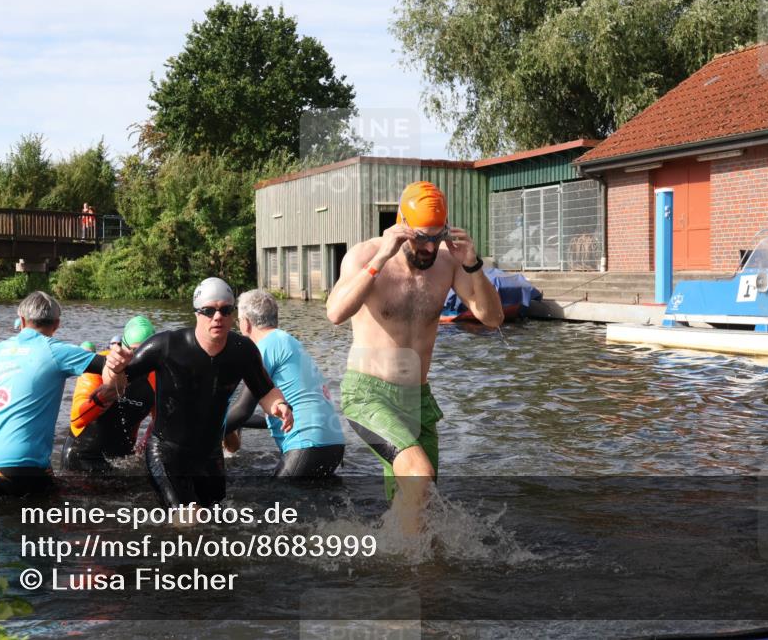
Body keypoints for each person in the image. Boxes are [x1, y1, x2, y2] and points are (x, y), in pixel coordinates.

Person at [325, 181, 503, 531]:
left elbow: (493, 318)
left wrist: (472, 264)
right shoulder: (365, 255)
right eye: (421, 237)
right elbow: (335, 313)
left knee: (424, 505)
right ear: (401, 224)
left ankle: (408, 574)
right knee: (419, 475)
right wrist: (380, 259)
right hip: (368, 395)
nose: (428, 247)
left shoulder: (448, 262)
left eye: (436, 237)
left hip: (418, 399)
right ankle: (403, 564)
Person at [107, 277, 294, 510]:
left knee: (215, 519)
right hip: (167, 452)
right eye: (209, 311)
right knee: (188, 518)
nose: (218, 317)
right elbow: (115, 382)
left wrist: (279, 405)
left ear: (233, 315)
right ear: (196, 313)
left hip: (209, 455)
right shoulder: (166, 346)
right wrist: (113, 367)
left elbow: (265, 391)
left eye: (226, 310)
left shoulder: (243, 351)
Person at [0, 291, 113, 496]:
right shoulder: (57, 351)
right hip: (23, 467)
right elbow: (112, 365)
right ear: (57, 324)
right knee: (48, 518)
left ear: (21, 320)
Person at [226, 289, 346, 477]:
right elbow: (286, 414)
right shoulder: (290, 342)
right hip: (333, 445)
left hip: (306, 446)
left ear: (246, 323)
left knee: (276, 504)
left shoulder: (264, 347)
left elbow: (243, 409)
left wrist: (201, 434)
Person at [61, 316, 158, 472]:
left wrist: (143, 450)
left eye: (147, 352)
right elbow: (76, 419)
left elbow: (158, 423)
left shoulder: (156, 376)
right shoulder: (98, 367)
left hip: (122, 460)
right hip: (82, 456)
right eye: (134, 351)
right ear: (122, 346)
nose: (140, 359)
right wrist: (102, 398)